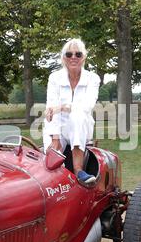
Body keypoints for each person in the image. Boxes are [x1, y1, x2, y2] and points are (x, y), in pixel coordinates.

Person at [43, 38, 100, 184]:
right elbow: (51, 109)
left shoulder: (93, 78)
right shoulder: (54, 78)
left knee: (78, 115)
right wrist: (55, 139)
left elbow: (87, 106)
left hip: (81, 126)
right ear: (63, 58)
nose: (73, 57)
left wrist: (62, 107)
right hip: (58, 127)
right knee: (50, 163)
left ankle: (78, 170)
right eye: (69, 54)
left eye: (78, 54)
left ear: (84, 57)